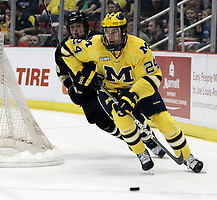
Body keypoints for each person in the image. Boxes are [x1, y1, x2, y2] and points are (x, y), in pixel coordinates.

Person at [61, 12, 204, 173]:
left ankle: (187, 157)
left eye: (114, 31)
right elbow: (66, 49)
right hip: (110, 91)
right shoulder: (94, 44)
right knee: (123, 122)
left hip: (138, 89)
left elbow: (153, 76)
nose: (110, 36)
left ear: (123, 31)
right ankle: (141, 153)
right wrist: (83, 76)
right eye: (107, 31)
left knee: (165, 121)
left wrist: (132, 95)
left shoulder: (138, 48)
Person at [56, 11, 165, 162]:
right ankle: (129, 139)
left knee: (128, 111)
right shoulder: (63, 48)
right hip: (86, 89)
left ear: (86, 26)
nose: (75, 30)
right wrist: (71, 87)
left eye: (79, 26)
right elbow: (61, 72)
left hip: (108, 83)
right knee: (99, 118)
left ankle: (148, 138)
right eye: (72, 27)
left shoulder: (101, 39)